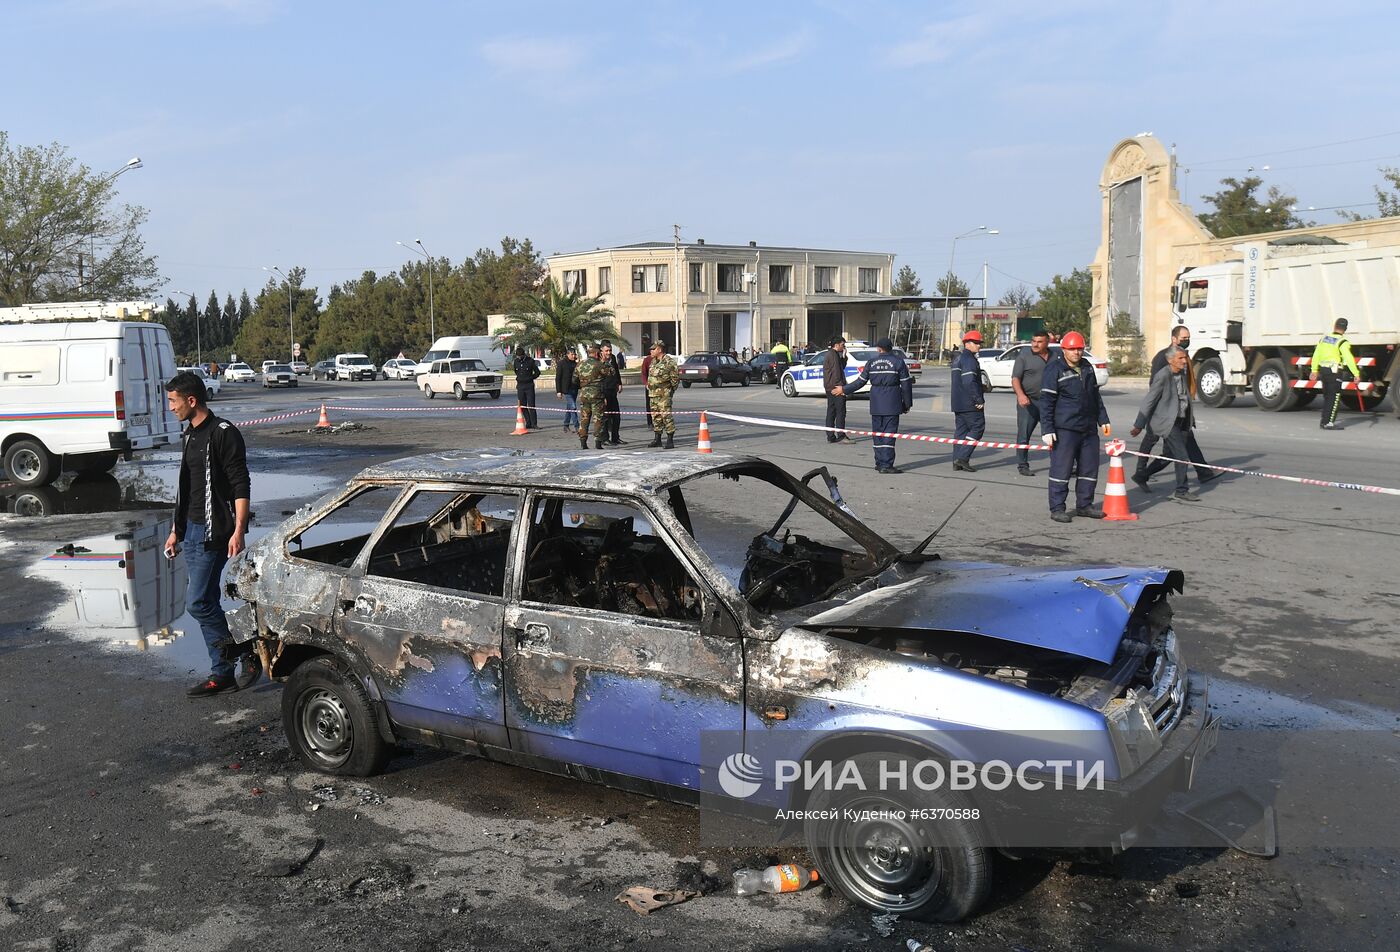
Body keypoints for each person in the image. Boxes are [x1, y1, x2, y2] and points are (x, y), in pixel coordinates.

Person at [164, 371, 255, 697]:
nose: (170, 407)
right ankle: (223, 673)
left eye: (174, 401)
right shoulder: (189, 435)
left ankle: (240, 652)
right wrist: (176, 530)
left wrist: (239, 530)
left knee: (198, 602)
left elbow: (240, 482)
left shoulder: (223, 432)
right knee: (207, 600)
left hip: (213, 530)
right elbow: (188, 489)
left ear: (192, 400)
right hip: (190, 530)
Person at [1132, 325, 1215, 490]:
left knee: (1175, 450)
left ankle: (1142, 475)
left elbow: (1183, 392)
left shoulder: (1182, 361)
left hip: (1180, 416)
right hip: (1163, 415)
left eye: (1188, 338)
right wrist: (1141, 422)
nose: (1187, 341)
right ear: (1174, 339)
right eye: (1183, 338)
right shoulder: (1164, 360)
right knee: (1156, 442)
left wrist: (1188, 414)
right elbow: (1154, 390)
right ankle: (1178, 488)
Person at [1041, 331, 1111, 523]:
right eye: (1072, 349)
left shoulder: (1087, 367)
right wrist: (1047, 429)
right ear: (1064, 349)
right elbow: (1046, 401)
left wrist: (1103, 419)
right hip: (1065, 429)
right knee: (1061, 470)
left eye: (1080, 349)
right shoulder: (1054, 369)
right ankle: (1057, 507)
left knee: (1089, 469)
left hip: (1088, 429)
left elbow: (1095, 396)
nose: (1077, 353)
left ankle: (1085, 505)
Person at [844, 338, 914, 474]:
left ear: (878, 349)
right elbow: (906, 385)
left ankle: (879, 462)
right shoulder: (898, 362)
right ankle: (886, 465)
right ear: (891, 348)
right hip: (892, 402)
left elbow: (860, 382)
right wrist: (907, 404)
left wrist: (844, 390)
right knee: (889, 434)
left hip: (876, 403)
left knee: (877, 434)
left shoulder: (871, 362)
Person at [1011, 332, 1052, 476]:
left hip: (1050, 403)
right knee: (1023, 435)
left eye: (1039, 341)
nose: (1035, 344)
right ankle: (1022, 465)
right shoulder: (1024, 356)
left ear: (1047, 342)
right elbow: (1015, 378)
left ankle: (1060, 464)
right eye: (1033, 341)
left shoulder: (1055, 356)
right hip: (1028, 402)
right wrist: (1021, 395)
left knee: (1053, 434)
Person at [1308, 317, 1360, 430]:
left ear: (1334, 326)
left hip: (1323, 371)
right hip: (1335, 372)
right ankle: (1328, 423)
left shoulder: (1324, 339)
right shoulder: (1342, 342)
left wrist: (1314, 370)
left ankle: (1324, 420)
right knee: (1334, 397)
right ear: (1345, 329)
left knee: (1327, 397)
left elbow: (1316, 354)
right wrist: (1356, 373)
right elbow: (1349, 358)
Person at [949, 330, 985, 472]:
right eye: (976, 343)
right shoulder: (969, 360)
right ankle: (962, 458)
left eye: (979, 343)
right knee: (978, 427)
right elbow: (969, 382)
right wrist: (978, 399)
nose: (979, 346)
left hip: (958, 402)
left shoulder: (958, 359)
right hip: (969, 403)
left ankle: (956, 461)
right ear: (967, 344)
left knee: (961, 432)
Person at [646, 341, 680, 449]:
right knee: (656, 417)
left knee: (666, 417)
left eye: (653, 349)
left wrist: (670, 391)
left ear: (659, 349)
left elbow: (675, 379)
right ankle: (657, 439)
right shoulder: (653, 362)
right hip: (653, 395)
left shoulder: (669, 362)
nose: (651, 351)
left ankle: (670, 440)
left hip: (664, 395)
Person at [575, 344, 606, 449]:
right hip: (597, 395)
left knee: (584, 418)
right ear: (597, 353)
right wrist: (605, 361)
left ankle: (583, 442)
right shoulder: (598, 364)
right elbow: (610, 373)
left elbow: (574, 380)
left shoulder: (579, 364)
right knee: (598, 418)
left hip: (584, 395)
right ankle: (598, 442)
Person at [823, 337, 850, 442]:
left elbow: (841, 367)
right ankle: (841, 435)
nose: (844, 347)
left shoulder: (833, 354)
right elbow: (837, 373)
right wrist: (840, 387)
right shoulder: (833, 355)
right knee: (840, 412)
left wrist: (844, 357)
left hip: (830, 386)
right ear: (837, 345)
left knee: (832, 411)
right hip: (835, 387)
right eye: (843, 345)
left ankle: (830, 435)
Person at [599, 342, 624, 445]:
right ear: (601, 351)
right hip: (603, 391)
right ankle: (605, 438)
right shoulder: (598, 361)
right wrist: (601, 395)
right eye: (606, 351)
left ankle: (615, 437)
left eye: (610, 350)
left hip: (612, 390)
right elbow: (597, 379)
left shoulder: (612, 358)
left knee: (616, 416)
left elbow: (616, 371)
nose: (609, 353)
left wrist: (619, 383)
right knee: (605, 417)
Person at [512, 349, 540, 429]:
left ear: (523, 355)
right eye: (518, 356)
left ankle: (534, 423)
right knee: (522, 406)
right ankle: (528, 422)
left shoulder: (530, 361)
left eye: (520, 356)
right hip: (520, 386)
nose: (519, 357)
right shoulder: (516, 362)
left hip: (529, 386)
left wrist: (530, 378)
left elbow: (537, 372)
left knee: (531, 405)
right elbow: (516, 371)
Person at [555, 348, 579, 432]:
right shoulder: (562, 363)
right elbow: (558, 378)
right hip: (566, 389)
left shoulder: (576, 364)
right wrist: (559, 391)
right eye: (572, 354)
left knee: (569, 407)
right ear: (568, 354)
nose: (573, 356)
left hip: (574, 388)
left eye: (574, 354)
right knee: (573, 407)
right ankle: (577, 426)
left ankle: (566, 424)